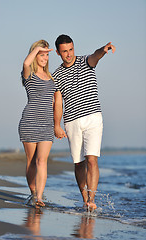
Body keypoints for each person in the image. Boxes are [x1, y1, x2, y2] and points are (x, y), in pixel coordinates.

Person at [53, 34, 115, 210]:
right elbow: (58, 103)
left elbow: (95, 56)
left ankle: (91, 200)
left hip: (93, 117)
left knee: (92, 159)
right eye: (65, 51)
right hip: (72, 121)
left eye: (71, 49)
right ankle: (85, 198)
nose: (69, 54)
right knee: (79, 163)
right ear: (58, 52)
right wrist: (56, 125)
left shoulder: (85, 61)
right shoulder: (56, 75)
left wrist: (103, 49)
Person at [18, 40, 55, 207]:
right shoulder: (28, 75)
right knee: (32, 161)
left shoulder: (51, 78)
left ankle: (39, 197)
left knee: (42, 161)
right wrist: (38, 48)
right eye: (42, 54)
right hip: (29, 122)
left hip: (47, 124)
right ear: (35, 54)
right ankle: (33, 193)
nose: (45, 57)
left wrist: (57, 124)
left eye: (47, 54)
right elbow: (26, 62)